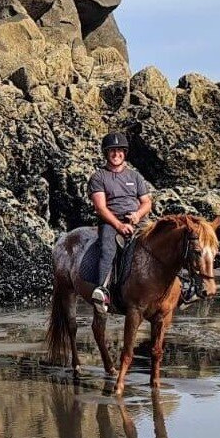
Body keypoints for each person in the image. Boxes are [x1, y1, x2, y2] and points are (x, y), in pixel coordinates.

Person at [88, 133, 152, 312]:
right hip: (111, 222)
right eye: (112, 151)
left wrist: (138, 215)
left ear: (125, 153)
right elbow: (100, 208)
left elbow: (146, 202)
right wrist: (119, 225)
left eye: (119, 151)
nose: (116, 154)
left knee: (164, 241)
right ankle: (102, 290)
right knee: (107, 249)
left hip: (137, 220)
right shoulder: (99, 177)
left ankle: (182, 286)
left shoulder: (135, 176)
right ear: (106, 153)